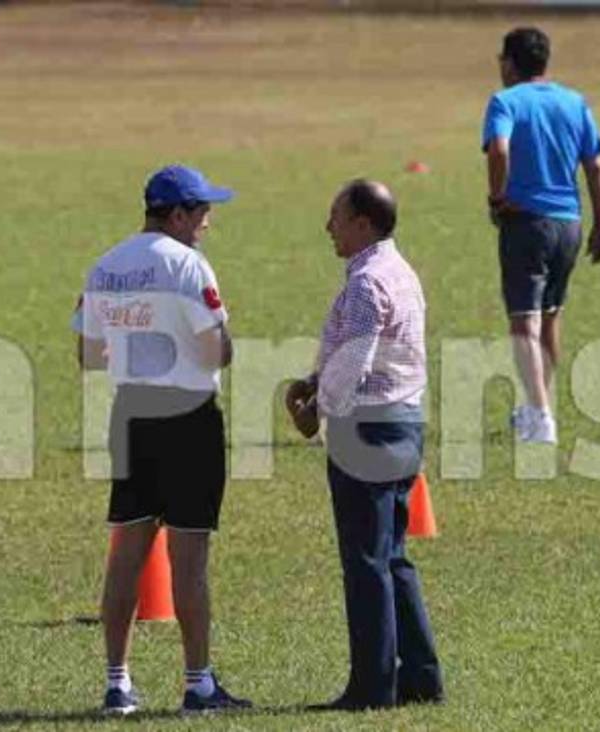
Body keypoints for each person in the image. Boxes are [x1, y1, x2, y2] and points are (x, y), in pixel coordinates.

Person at [72, 164, 251, 716]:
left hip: (130, 415)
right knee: (189, 557)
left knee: (126, 554)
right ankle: (198, 685)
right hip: (188, 418)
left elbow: (86, 354)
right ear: (176, 214)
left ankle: (117, 683)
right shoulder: (187, 264)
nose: (207, 222)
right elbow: (215, 350)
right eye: (201, 212)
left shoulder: (107, 265)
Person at [286, 179, 443, 711]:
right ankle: (421, 675)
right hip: (404, 421)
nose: (327, 226)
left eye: (336, 216)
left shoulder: (365, 283)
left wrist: (314, 412)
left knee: (365, 563)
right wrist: (316, 375)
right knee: (394, 556)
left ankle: (371, 687)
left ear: (362, 224)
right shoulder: (400, 272)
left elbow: (354, 362)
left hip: (366, 431)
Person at [482, 26, 600, 444]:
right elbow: (595, 165)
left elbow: (499, 149)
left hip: (527, 223)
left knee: (524, 322)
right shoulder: (574, 102)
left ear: (509, 62)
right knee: (551, 316)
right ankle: (537, 407)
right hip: (569, 224)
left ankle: (540, 418)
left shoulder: (505, 101)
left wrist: (498, 198)